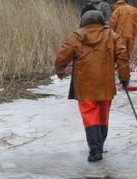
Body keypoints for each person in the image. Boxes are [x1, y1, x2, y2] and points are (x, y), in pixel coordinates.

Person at [55, 10, 130, 162]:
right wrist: (124, 78)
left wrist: (60, 69)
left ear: (83, 22)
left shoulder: (76, 36)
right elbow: (123, 57)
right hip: (105, 85)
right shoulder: (112, 36)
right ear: (102, 21)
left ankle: (95, 150)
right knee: (103, 115)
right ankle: (99, 146)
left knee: (90, 116)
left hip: (85, 86)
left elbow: (62, 56)